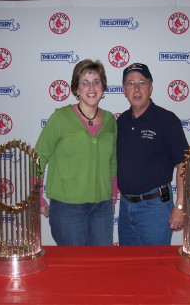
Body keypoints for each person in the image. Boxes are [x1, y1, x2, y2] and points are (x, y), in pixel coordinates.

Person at [35, 59, 117, 246]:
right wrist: (36, 197)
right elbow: (37, 159)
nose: (91, 87)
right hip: (67, 209)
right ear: (76, 89)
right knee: (73, 267)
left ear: (103, 88)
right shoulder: (60, 118)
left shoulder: (110, 120)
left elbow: (113, 161)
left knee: (99, 265)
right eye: (84, 82)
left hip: (102, 208)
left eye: (96, 81)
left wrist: (112, 196)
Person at [116, 62, 189, 245]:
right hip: (125, 207)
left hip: (155, 208)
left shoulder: (167, 120)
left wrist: (180, 206)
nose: (137, 88)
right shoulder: (120, 122)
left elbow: (183, 163)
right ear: (124, 90)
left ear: (151, 88)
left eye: (142, 82)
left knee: (155, 267)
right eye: (130, 83)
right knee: (129, 268)